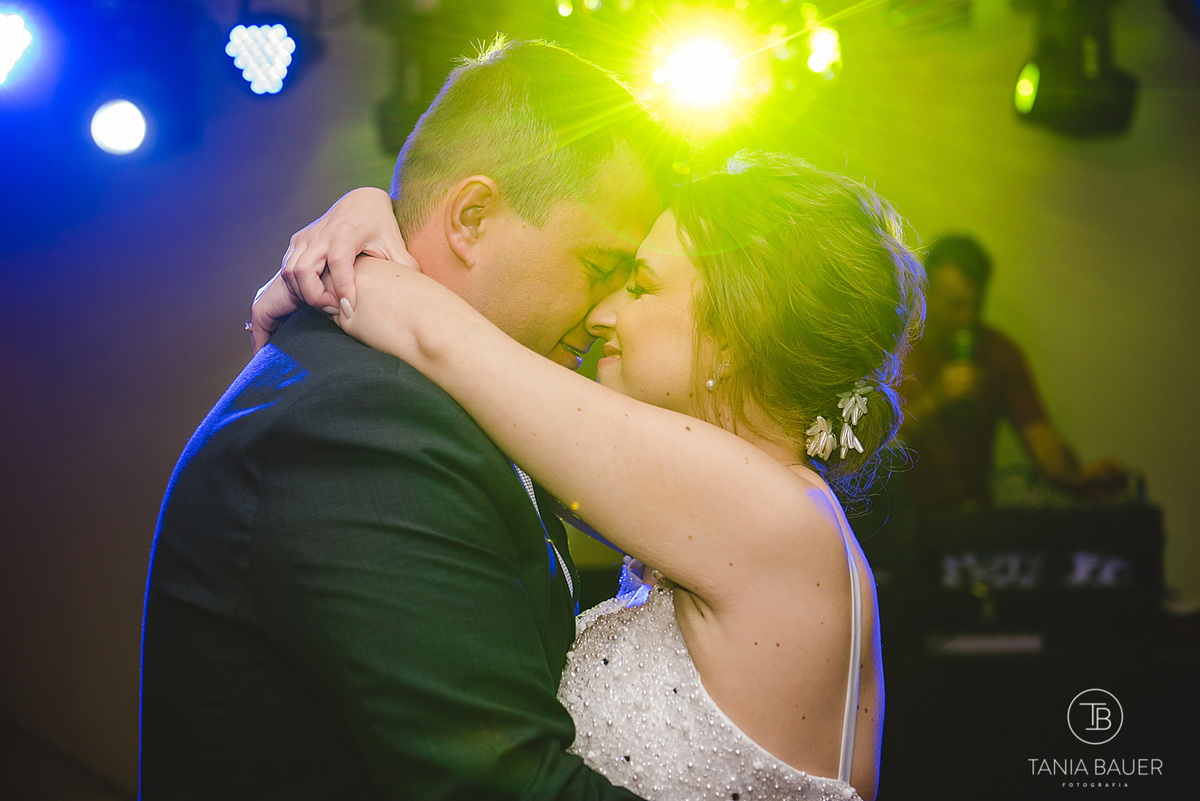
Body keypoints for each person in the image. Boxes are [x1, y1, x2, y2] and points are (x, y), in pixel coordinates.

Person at [256, 151, 926, 801]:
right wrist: (369, 209)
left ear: (733, 333)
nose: (602, 313)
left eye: (638, 285)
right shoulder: (771, 511)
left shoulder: (767, 513)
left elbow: (442, 344)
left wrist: (342, 257)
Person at [141, 39, 679, 800]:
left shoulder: (437, 399)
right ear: (471, 215)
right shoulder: (366, 422)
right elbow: (504, 784)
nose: (602, 315)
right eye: (597, 268)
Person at [897, 235, 1127, 510]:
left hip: (971, 518)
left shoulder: (997, 351)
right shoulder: (898, 349)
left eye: (976, 306)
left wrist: (1077, 479)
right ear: (926, 293)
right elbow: (873, 443)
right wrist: (936, 399)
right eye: (955, 306)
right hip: (895, 522)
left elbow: (1037, 432)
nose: (967, 318)